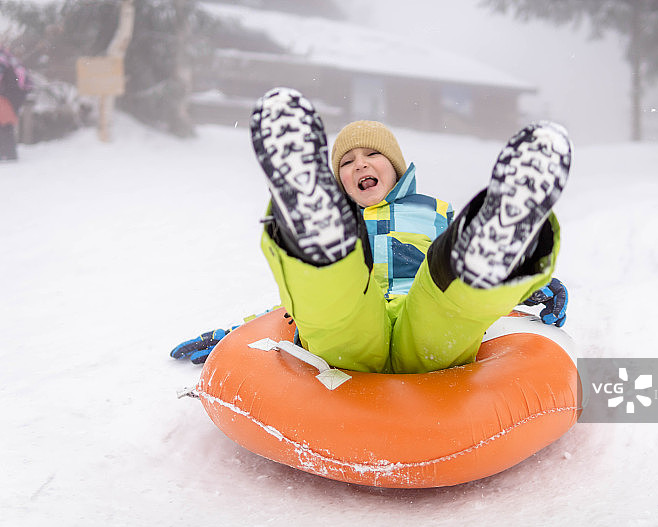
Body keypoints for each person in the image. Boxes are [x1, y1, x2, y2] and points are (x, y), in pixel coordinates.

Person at [172, 87, 570, 372]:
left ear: (395, 165)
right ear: (336, 181)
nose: (360, 165)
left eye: (372, 154)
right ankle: (315, 241)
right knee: (333, 307)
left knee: (450, 299)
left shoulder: (435, 211)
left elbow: (457, 295)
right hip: (360, 323)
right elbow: (298, 306)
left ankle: (501, 242)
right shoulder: (348, 222)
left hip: (421, 311)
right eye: (346, 162)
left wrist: (527, 284)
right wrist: (234, 333)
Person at [0, 46, 32, 161]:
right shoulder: (8, 55)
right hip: (17, 93)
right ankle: (8, 153)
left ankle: (7, 154)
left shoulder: (2, 57)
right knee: (5, 123)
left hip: (9, 93)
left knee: (3, 123)